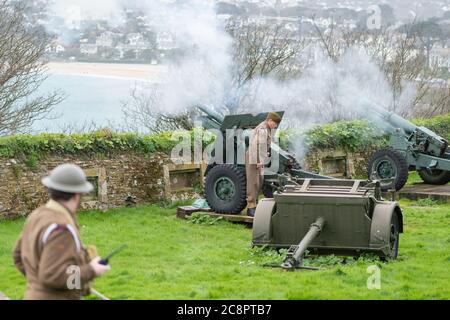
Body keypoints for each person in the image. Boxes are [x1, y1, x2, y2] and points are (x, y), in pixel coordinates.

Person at [13, 164, 110, 300]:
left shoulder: (36, 215)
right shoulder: (62, 228)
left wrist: (38, 285)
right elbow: (53, 275)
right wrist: (91, 270)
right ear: (77, 195)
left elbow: (18, 255)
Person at [246, 112, 282, 217]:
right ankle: (251, 207)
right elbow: (256, 145)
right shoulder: (263, 129)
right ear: (270, 120)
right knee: (253, 182)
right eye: (275, 124)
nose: (275, 126)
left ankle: (254, 205)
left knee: (259, 181)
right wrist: (258, 160)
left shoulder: (266, 128)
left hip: (258, 157)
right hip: (254, 157)